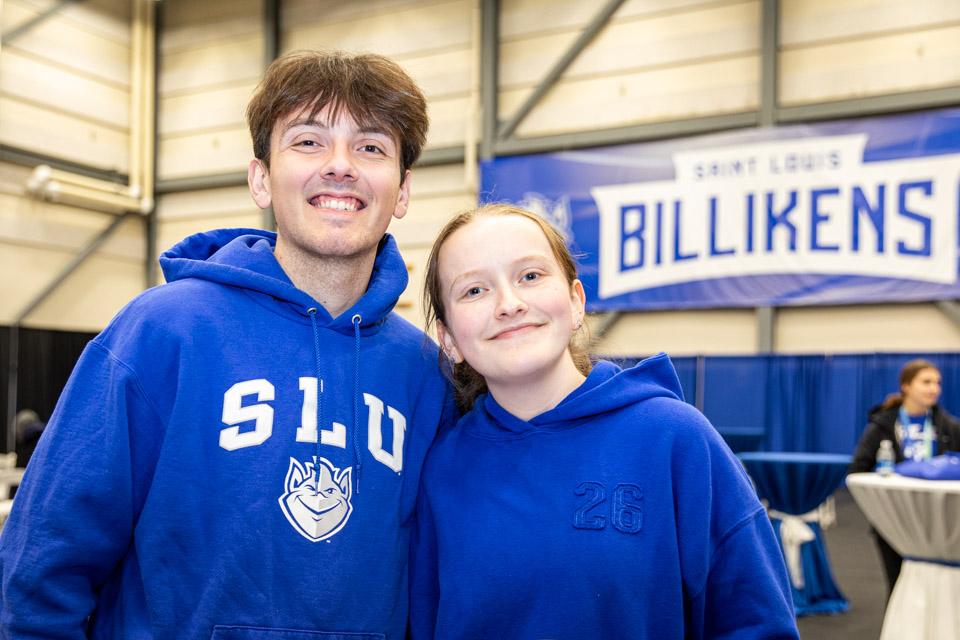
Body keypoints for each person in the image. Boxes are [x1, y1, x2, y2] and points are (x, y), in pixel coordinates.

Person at [0, 50, 453, 638]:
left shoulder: (424, 372)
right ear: (261, 178)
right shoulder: (161, 332)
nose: (340, 166)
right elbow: (40, 571)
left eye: (370, 147)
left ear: (403, 190)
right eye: (308, 141)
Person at [410, 204, 799, 639]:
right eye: (474, 290)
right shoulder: (441, 468)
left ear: (576, 302)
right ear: (448, 339)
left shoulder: (676, 441)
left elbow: (757, 624)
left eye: (530, 276)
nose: (509, 304)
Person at [848, 358, 960, 595]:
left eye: (938, 383)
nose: (934, 388)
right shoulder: (882, 424)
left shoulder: (949, 426)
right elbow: (858, 467)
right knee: (899, 587)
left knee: (941, 588)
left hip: (939, 520)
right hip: (895, 518)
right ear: (906, 386)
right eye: (926, 382)